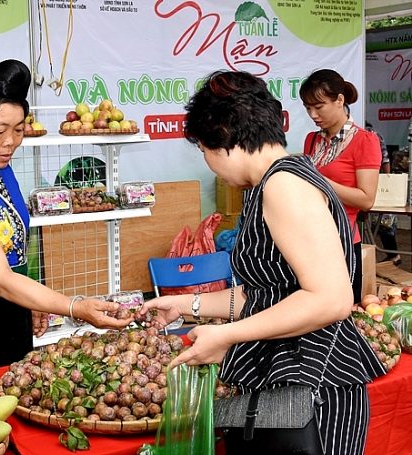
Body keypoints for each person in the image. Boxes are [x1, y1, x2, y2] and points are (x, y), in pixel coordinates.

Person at [137, 71, 387, 455]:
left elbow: (330, 299)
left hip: (312, 386)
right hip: (287, 381)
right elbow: (267, 293)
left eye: (204, 150)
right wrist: (188, 305)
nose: (208, 164)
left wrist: (227, 335)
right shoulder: (268, 183)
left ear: (225, 135)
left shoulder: (285, 185)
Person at [0, 59, 132, 369]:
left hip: (7, 308)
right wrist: (74, 307)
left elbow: (10, 254)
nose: (10, 142)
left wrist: (31, 299)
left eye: (18, 130)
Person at [299, 69, 382, 304]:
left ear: (340, 100)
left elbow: (366, 199)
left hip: (342, 242)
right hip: (309, 239)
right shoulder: (312, 140)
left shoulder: (365, 140)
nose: (313, 114)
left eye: (319, 106)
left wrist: (321, 181)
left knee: (341, 311)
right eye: (308, 108)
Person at [365, 121, 401, 265]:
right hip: (374, 183)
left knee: (383, 222)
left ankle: (394, 256)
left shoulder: (371, 134)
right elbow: (385, 160)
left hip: (375, 185)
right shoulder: (373, 133)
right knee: (379, 223)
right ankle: (392, 255)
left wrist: (387, 182)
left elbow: (385, 160)